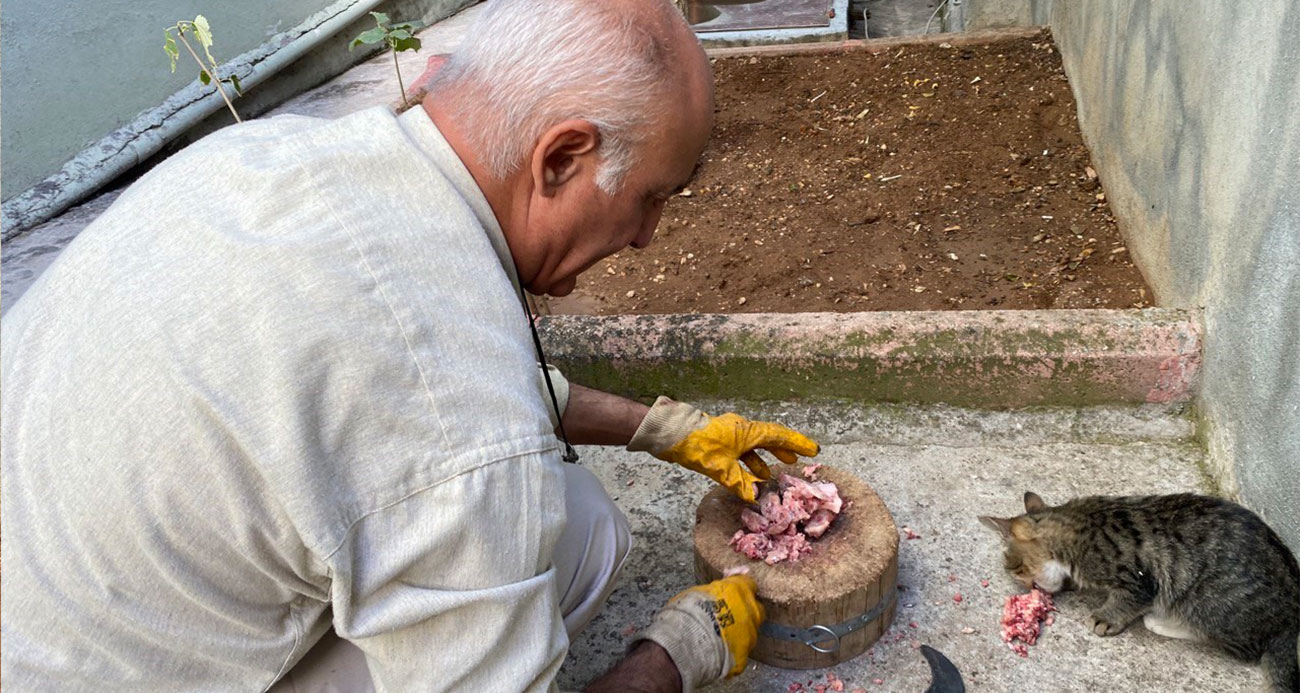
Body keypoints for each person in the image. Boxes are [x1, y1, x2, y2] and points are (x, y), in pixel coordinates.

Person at [0, 0, 820, 691]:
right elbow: (440, 418)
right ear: (563, 158)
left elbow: (376, 399)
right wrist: (674, 656)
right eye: (650, 198)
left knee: (572, 522)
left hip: (55, 609)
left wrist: (661, 426)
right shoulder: (456, 414)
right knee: (568, 538)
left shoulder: (273, 156)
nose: (647, 236)